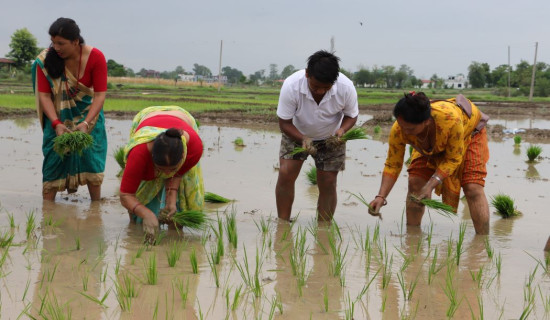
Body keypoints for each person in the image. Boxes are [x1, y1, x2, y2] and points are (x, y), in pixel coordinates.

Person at [368, 92, 490, 234]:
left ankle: (482, 245)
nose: (405, 132)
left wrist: (430, 186)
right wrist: (381, 197)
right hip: (428, 144)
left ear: (427, 121)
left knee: (472, 187)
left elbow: (453, 159)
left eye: (411, 129)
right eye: (402, 126)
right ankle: (412, 240)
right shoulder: (401, 129)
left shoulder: (450, 120)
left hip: (468, 134)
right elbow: (392, 164)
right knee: (415, 184)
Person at [275, 50, 359, 221]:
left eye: (326, 88)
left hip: (331, 137)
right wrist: (303, 139)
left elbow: (352, 115)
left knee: (328, 182)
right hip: (296, 133)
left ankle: (323, 228)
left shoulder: (346, 87)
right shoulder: (292, 86)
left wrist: (342, 131)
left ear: (334, 81)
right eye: (315, 86)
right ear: (307, 74)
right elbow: (284, 123)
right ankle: (283, 223)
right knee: (285, 174)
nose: (320, 91)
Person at [31, 17, 107, 201]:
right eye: (53, 42)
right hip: (57, 118)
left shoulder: (96, 57)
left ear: (75, 42)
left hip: (90, 117)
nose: (55, 47)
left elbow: (99, 95)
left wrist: (86, 123)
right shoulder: (45, 62)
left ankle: (95, 208)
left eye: (61, 43)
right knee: (53, 160)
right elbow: (44, 96)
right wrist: (56, 123)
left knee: (92, 160)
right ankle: (48, 212)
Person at [119, 106, 204, 237]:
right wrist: (145, 213)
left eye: (172, 169)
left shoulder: (194, 147)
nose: (167, 173)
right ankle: (135, 227)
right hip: (147, 116)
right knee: (140, 211)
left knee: (178, 207)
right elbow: (126, 195)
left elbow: (178, 174)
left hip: (181, 116)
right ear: (151, 157)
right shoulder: (139, 153)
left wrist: (171, 199)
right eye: (160, 169)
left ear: (183, 156)